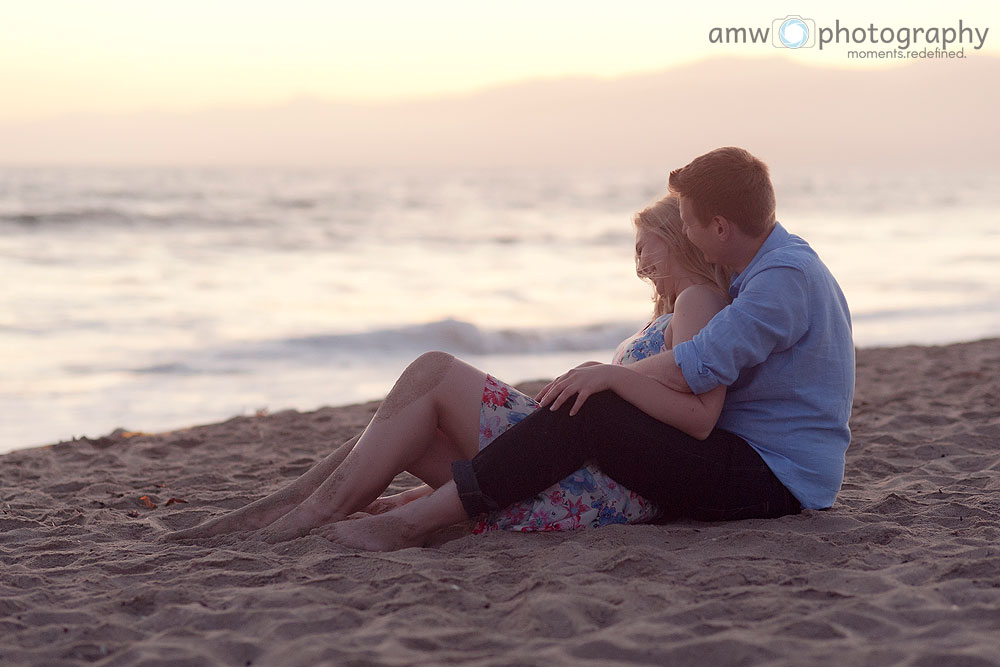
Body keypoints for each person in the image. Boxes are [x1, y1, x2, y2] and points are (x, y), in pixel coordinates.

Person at [316, 146, 856, 551]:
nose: (685, 236)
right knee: (592, 401)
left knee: (596, 403)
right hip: (756, 463)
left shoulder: (780, 280)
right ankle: (401, 506)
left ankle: (417, 520)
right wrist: (611, 376)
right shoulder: (770, 269)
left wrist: (613, 376)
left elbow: (700, 366)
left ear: (720, 226)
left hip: (774, 481)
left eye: (687, 224)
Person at [164, 193, 731, 543]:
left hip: (591, 483)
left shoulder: (698, 299)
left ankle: (304, 512)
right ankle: (286, 509)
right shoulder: (672, 310)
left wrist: (610, 377)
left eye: (645, 243)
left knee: (432, 372)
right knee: (399, 429)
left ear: (674, 236)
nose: (637, 258)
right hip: (576, 472)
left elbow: (698, 414)